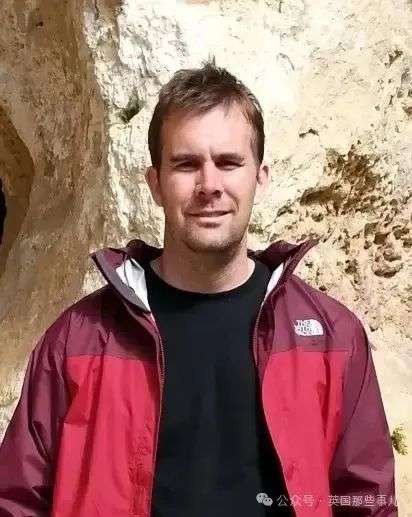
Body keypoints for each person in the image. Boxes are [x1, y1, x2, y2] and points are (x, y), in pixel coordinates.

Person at [0, 60, 397, 517]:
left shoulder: (333, 337)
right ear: (155, 184)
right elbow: (17, 502)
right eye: (186, 164)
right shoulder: (77, 340)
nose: (209, 185)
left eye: (229, 162)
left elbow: (366, 501)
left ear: (260, 176)